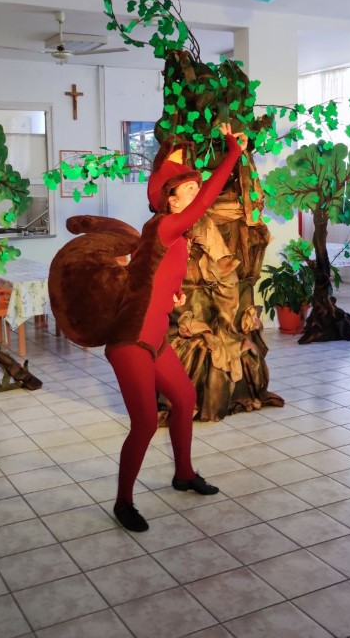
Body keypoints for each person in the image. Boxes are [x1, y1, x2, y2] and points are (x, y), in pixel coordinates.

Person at [102, 123, 247, 531]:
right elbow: (208, 199)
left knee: (184, 398)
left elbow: (146, 274)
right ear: (169, 198)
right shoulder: (166, 225)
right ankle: (123, 502)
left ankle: (183, 473)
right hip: (131, 341)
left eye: (195, 188)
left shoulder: (171, 236)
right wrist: (233, 152)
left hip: (152, 339)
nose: (196, 195)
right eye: (188, 189)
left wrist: (173, 296)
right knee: (146, 423)